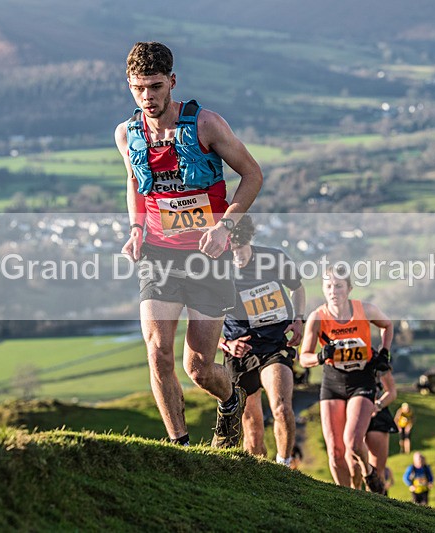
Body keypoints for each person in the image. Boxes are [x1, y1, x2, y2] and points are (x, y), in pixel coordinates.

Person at [116, 42, 263, 448]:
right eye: (138, 88)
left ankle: (232, 397)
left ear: (172, 82)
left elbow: (252, 176)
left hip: (207, 257)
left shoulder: (206, 125)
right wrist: (136, 228)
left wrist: (225, 228)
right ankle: (180, 447)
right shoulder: (126, 134)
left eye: (155, 86)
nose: (147, 97)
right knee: (157, 353)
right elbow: (133, 182)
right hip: (159, 256)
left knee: (198, 367)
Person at [219, 215, 305, 464]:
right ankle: (262, 475)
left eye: (240, 250)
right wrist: (226, 344)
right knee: (252, 425)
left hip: (274, 345)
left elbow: (297, 287)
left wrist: (298, 318)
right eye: (231, 252)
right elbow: (201, 319)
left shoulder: (273, 258)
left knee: (281, 407)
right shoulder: (217, 269)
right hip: (240, 350)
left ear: (249, 240)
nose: (237, 257)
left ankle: (284, 465)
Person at [299, 264, 393, 490]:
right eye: (329, 286)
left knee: (352, 442)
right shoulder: (318, 317)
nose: (334, 291)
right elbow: (304, 358)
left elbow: (388, 325)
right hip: (333, 382)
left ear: (349, 289)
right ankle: (347, 495)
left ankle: (368, 472)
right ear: (323, 289)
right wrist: (320, 356)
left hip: (361, 380)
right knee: (335, 451)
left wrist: (384, 352)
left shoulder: (365, 310)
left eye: (339, 286)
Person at [366, 366, 399, 494]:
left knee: (377, 468)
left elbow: (391, 392)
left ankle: (377, 502)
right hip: (351, 409)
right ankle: (353, 500)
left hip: (376, 413)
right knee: (353, 465)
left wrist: (378, 405)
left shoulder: (377, 359)